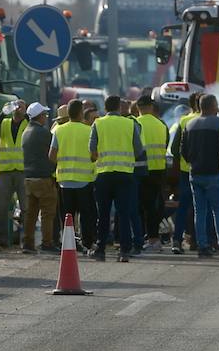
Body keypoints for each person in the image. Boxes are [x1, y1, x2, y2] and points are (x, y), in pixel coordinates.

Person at [89, 95, 144, 262]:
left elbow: (92, 151)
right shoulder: (130, 123)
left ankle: (100, 249)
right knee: (124, 213)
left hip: (104, 175)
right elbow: (139, 150)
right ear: (119, 107)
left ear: (105, 108)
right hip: (125, 174)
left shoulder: (97, 123)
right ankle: (124, 251)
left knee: (103, 214)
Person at [184, 94, 219, 259]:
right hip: (214, 172)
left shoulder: (190, 124)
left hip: (195, 172)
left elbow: (184, 150)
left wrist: (193, 161)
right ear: (213, 106)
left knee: (200, 211)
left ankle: (202, 245)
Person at [50, 100, 97, 252]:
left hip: (64, 181)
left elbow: (51, 155)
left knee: (67, 216)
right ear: (80, 112)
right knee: (86, 215)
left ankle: (68, 243)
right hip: (84, 180)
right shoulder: (88, 130)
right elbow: (94, 155)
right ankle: (88, 243)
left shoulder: (58, 130)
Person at [168, 91, 203, 254]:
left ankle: (177, 240)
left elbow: (175, 149)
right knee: (203, 207)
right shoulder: (212, 121)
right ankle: (201, 240)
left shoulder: (184, 120)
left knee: (183, 207)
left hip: (185, 170)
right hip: (205, 169)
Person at [21, 103, 59, 253]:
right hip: (44, 178)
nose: (46, 117)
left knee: (30, 214)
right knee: (47, 214)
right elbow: (53, 151)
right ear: (40, 116)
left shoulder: (26, 132)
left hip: (29, 178)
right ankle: (47, 243)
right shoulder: (43, 133)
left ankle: (28, 243)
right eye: (45, 115)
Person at [134, 95, 169, 252]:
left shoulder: (135, 123)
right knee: (153, 206)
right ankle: (154, 238)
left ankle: (141, 238)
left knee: (139, 206)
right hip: (158, 169)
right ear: (151, 106)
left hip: (140, 169)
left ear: (138, 108)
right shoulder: (161, 124)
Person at [0, 101, 29, 249]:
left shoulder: (28, 123)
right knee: (2, 206)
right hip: (6, 170)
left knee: (26, 207)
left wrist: (25, 112)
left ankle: (27, 239)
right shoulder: (4, 122)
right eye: (16, 106)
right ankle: (2, 238)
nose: (18, 109)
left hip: (23, 170)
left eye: (21, 106)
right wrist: (4, 112)